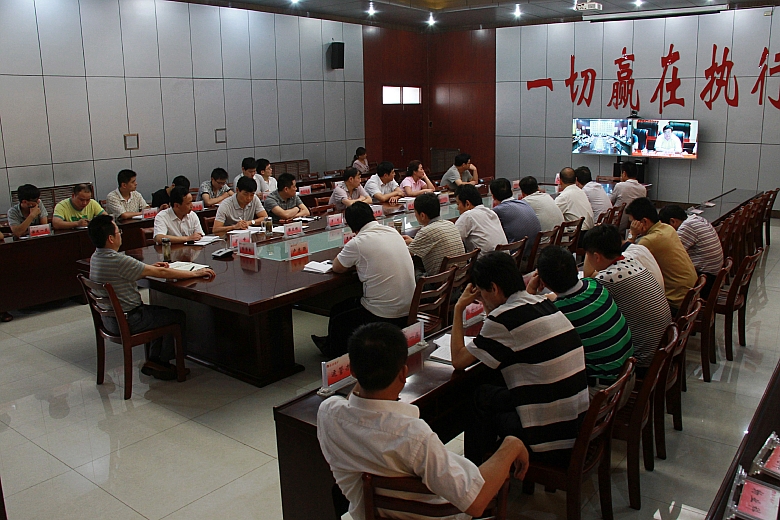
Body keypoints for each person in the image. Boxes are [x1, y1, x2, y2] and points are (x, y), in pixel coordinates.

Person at [318, 322, 529, 520]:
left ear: (353, 371)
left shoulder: (328, 414)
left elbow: (352, 401)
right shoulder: (412, 435)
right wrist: (511, 445)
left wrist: (365, 368)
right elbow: (476, 502)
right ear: (404, 372)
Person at [448, 251, 589, 465]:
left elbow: (458, 360)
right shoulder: (542, 302)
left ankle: (479, 472)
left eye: (482, 293)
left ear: (493, 288)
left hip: (551, 434)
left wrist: (459, 309)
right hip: (575, 420)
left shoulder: (502, 319)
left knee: (479, 400)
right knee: (489, 390)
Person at [87, 214, 215, 380]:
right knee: (176, 316)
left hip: (109, 321)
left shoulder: (96, 257)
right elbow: (162, 273)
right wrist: (195, 273)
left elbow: (130, 271)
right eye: (119, 232)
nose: (121, 235)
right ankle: (164, 363)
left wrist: (149, 267)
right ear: (111, 238)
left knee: (159, 313)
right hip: (130, 320)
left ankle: (155, 360)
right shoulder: (118, 260)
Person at [311, 202, 416, 358]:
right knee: (341, 308)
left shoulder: (358, 242)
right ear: (373, 216)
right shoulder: (392, 231)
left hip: (383, 313)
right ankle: (330, 343)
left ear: (351, 227)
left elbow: (338, 267)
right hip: (410, 308)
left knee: (339, 316)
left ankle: (336, 355)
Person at [528, 246, 633, 394]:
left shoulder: (557, 314)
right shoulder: (595, 286)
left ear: (543, 283)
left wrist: (530, 292)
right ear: (577, 269)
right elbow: (564, 299)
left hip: (602, 394)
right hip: (626, 378)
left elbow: (527, 321)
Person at [582, 224, 671, 375]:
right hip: (661, 348)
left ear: (596, 256)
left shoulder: (608, 279)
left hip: (641, 359)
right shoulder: (631, 261)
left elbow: (587, 277)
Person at [626, 197, 697, 313]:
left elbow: (624, 261)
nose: (631, 226)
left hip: (674, 301)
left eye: (632, 223)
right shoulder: (668, 228)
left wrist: (632, 235)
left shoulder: (649, 240)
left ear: (644, 222)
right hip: (689, 295)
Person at [659, 204, 724, 298]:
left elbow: (671, 253)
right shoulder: (697, 219)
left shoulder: (686, 227)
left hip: (706, 280)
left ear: (673, 221)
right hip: (714, 275)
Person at [402, 193, 465, 276]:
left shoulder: (426, 231)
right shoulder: (449, 224)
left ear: (422, 215)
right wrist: (413, 242)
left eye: (415, 212)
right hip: (460, 277)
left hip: (441, 281)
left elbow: (406, 255)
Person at [489, 178, 540, 255]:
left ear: (493, 196)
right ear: (512, 191)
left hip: (517, 256)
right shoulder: (524, 203)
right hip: (533, 252)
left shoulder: (497, 210)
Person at [454, 184, 507, 257]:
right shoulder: (491, 212)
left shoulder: (468, 215)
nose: (457, 208)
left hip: (486, 262)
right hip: (506, 260)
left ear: (467, 204)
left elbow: (453, 241)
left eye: (458, 204)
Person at [610, 162, 646, 232]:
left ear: (624, 173)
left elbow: (611, 202)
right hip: (635, 225)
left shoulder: (620, 186)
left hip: (618, 224)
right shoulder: (643, 189)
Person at [555, 167, 594, 231]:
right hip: (588, 232)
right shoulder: (581, 192)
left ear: (560, 181)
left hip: (577, 234)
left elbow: (552, 213)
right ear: (576, 179)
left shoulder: (564, 196)